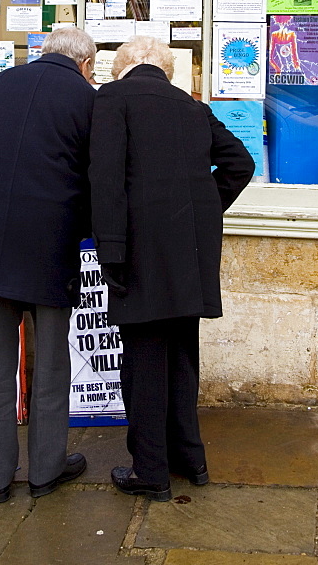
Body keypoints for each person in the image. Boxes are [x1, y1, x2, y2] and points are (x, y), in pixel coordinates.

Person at [89, 36, 254, 502]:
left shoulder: (112, 99)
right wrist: (202, 212)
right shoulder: (191, 107)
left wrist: (111, 250)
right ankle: (191, 459)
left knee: (143, 363)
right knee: (182, 358)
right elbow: (240, 163)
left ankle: (151, 471)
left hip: (138, 252)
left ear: (121, 67)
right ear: (165, 69)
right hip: (190, 254)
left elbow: (105, 180)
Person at [0, 27, 97, 503]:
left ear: (42, 53)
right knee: (50, 366)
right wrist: (81, 223)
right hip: (51, 247)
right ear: (85, 64)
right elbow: (98, 172)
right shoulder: (87, 98)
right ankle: (47, 472)